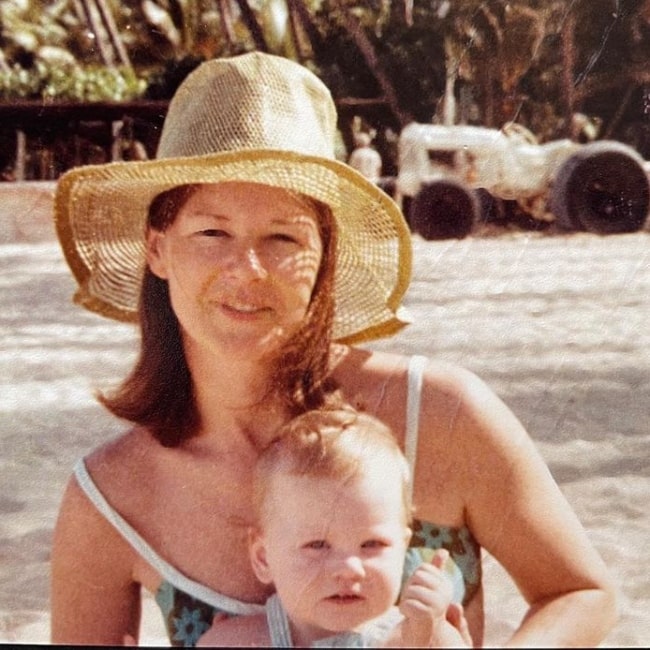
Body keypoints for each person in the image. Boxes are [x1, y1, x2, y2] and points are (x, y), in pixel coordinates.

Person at [50, 51, 617, 647]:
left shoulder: (440, 416)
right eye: (212, 231)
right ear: (158, 248)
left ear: (326, 255)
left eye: (282, 237)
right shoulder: (108, 498)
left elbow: (580, 593)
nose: (247, 270)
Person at [197, 406, 471, 647]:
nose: (350, 569)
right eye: (317, 545)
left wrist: (427, 634)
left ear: (403, 547)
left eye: (372, 544)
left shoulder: (422, 638)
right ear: (263, 558)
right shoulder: (237, 641)